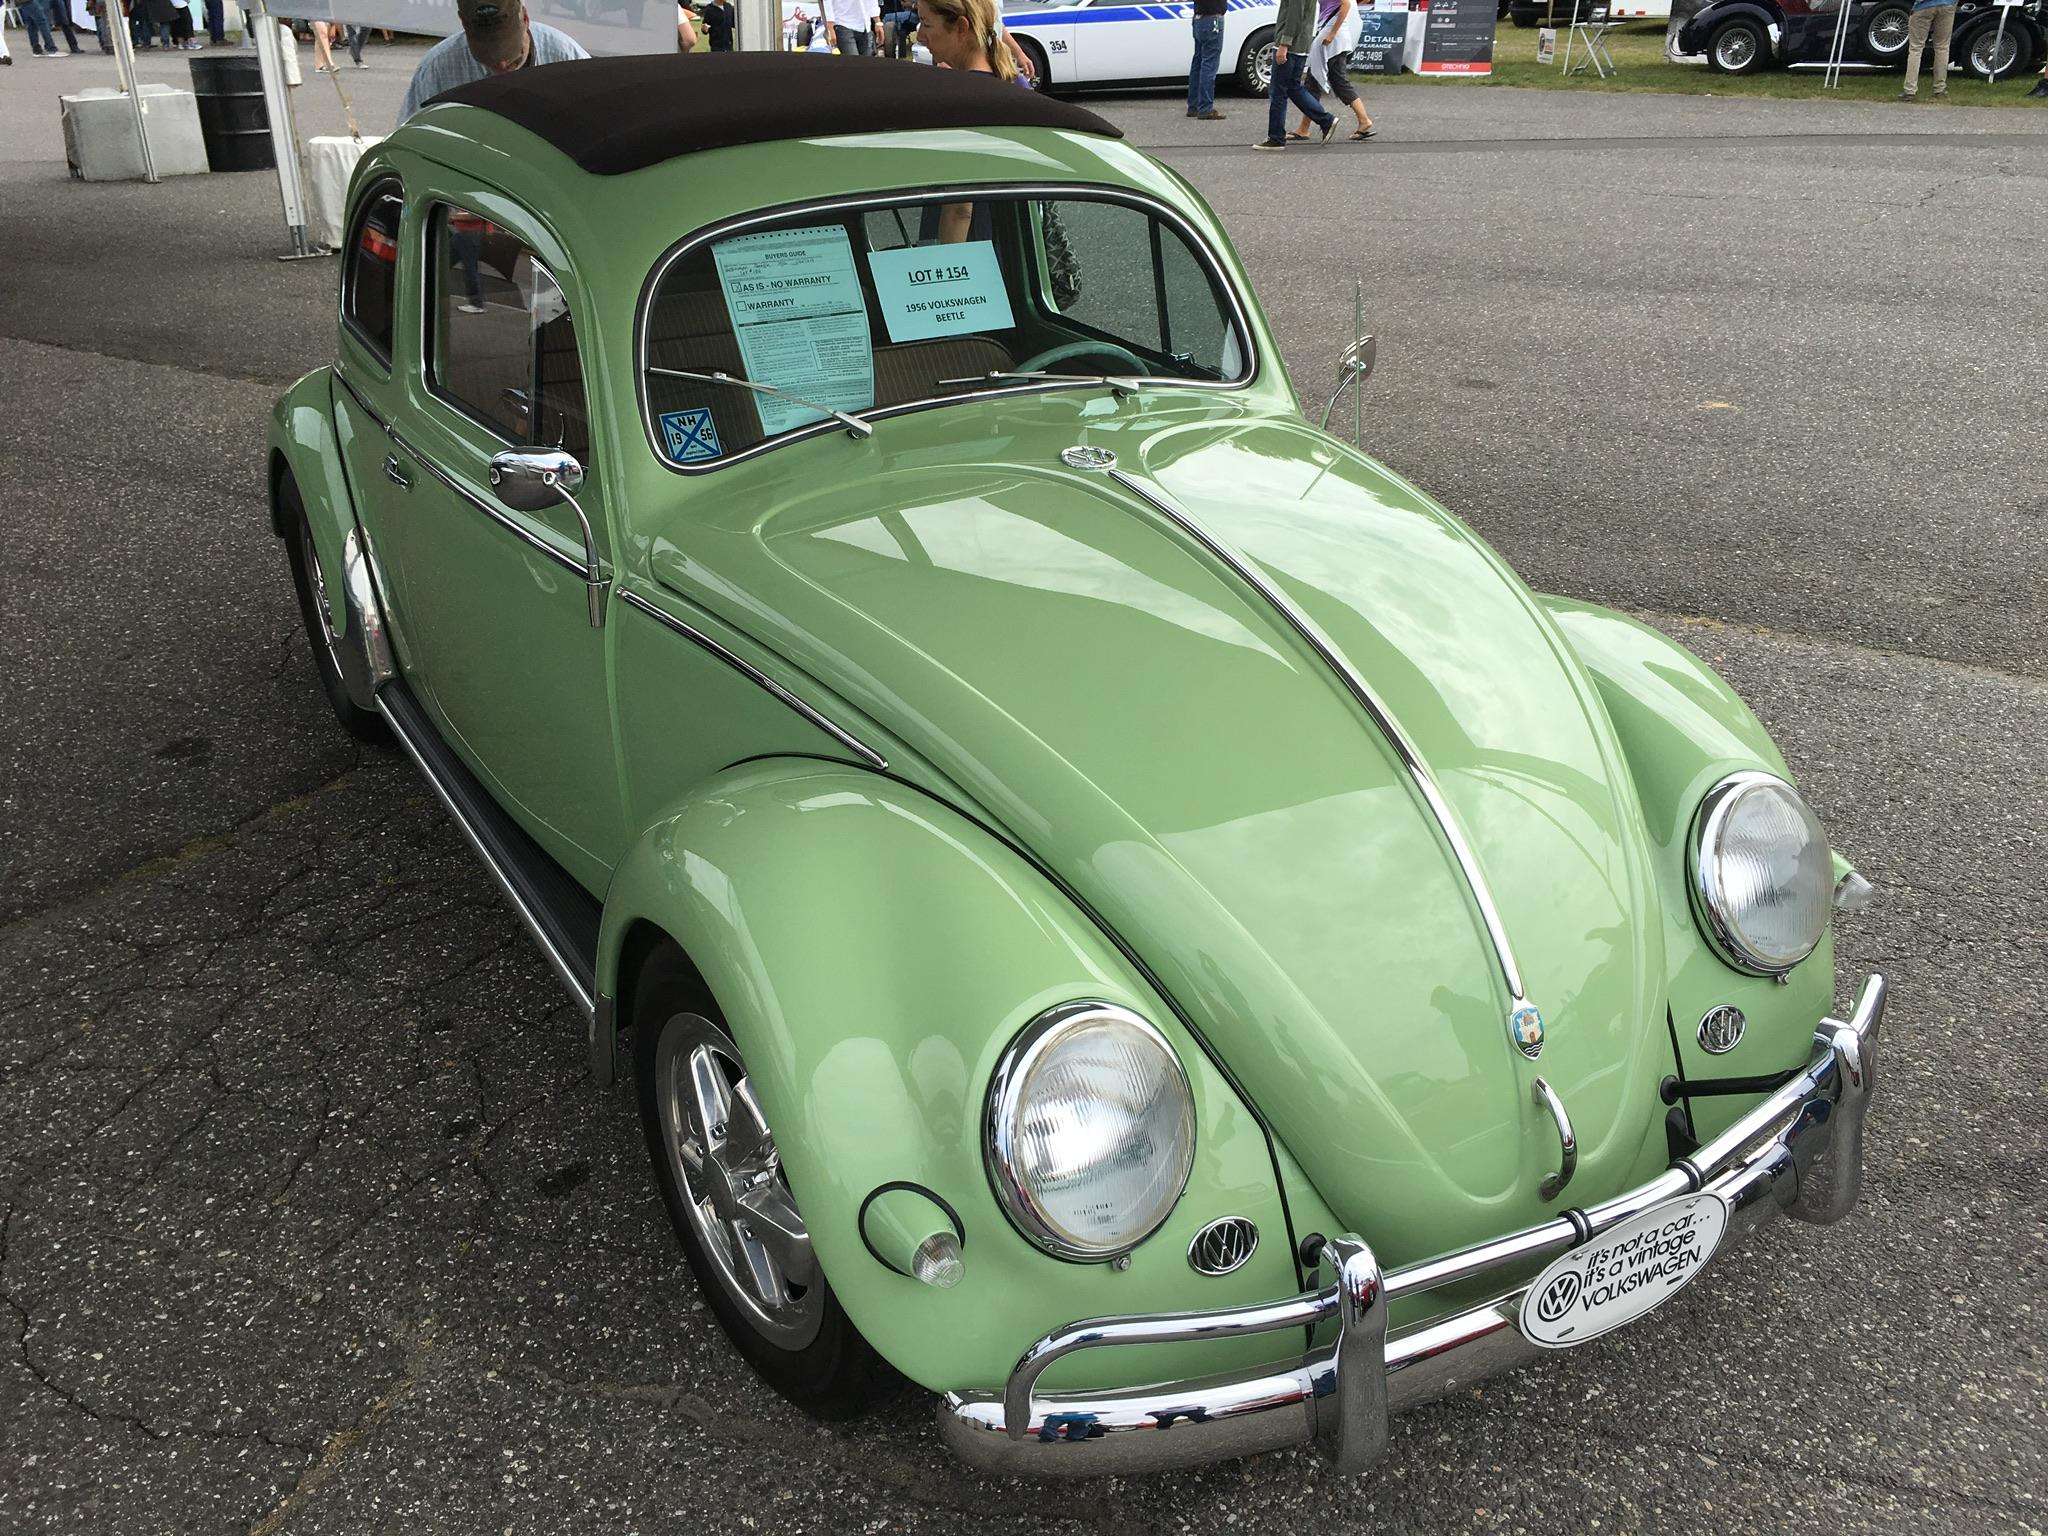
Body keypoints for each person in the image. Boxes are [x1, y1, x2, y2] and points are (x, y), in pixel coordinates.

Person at [398, 0, 588, 122]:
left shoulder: (567, 59)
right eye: (488, 56)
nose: (502, 64)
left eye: (511, 52)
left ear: (526, 18)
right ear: (464, 25)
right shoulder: (436, 69)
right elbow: (407, 139)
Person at [1257, 0, 1334, 148]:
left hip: (1291, 45)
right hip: (1302, 43)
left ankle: (1276, 138)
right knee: (1293, 87)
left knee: (1278, 92)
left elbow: (1294, 15)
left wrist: (1284, 44)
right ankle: (1325, 120)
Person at [1293, 0, 1371, 141]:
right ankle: (1363, 120)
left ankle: (1304, 129)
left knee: (1315, 82)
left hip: (1332, 39)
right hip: (1332, 36)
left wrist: (1332, 33)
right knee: (1336, 82)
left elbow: (1346, 4)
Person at [1899, 0, 1955, 99]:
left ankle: (1910, 90)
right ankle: (1940, 88)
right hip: (1946, 4)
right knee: (1942, 47)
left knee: (1916, 48)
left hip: (1923, 6)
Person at [1186, 0, 1226, 120]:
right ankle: (1205, 107)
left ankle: (1194, 105)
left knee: (1198, 62)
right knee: (1209, 63)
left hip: (1199, 17)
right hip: (1212, 18)